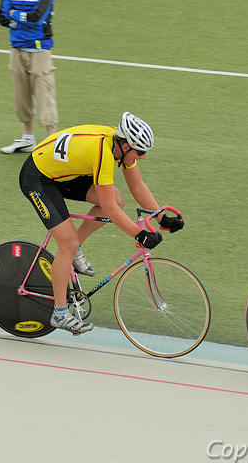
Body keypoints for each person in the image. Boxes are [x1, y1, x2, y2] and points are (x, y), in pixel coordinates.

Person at [19, 112, 184, 335]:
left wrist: (161, 216)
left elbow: (137, 187)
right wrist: (139, 234)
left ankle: (76, 247)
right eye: (140, 152)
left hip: (65, 172)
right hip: (37, 177)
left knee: (118, 199)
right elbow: (109, 210)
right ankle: (59, 313)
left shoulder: (118, 146)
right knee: (67, 243)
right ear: (125, 146)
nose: (143, 157)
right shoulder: (104, 155)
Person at [0, 0, 58, 155]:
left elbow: (37, 18)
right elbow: (1, 17)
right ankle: (28, 139)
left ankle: (52, 143)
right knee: (21, 96)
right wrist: (20, 19)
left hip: (39, 50)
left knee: (45, 96)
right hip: (16, 49)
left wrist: (15, 15)